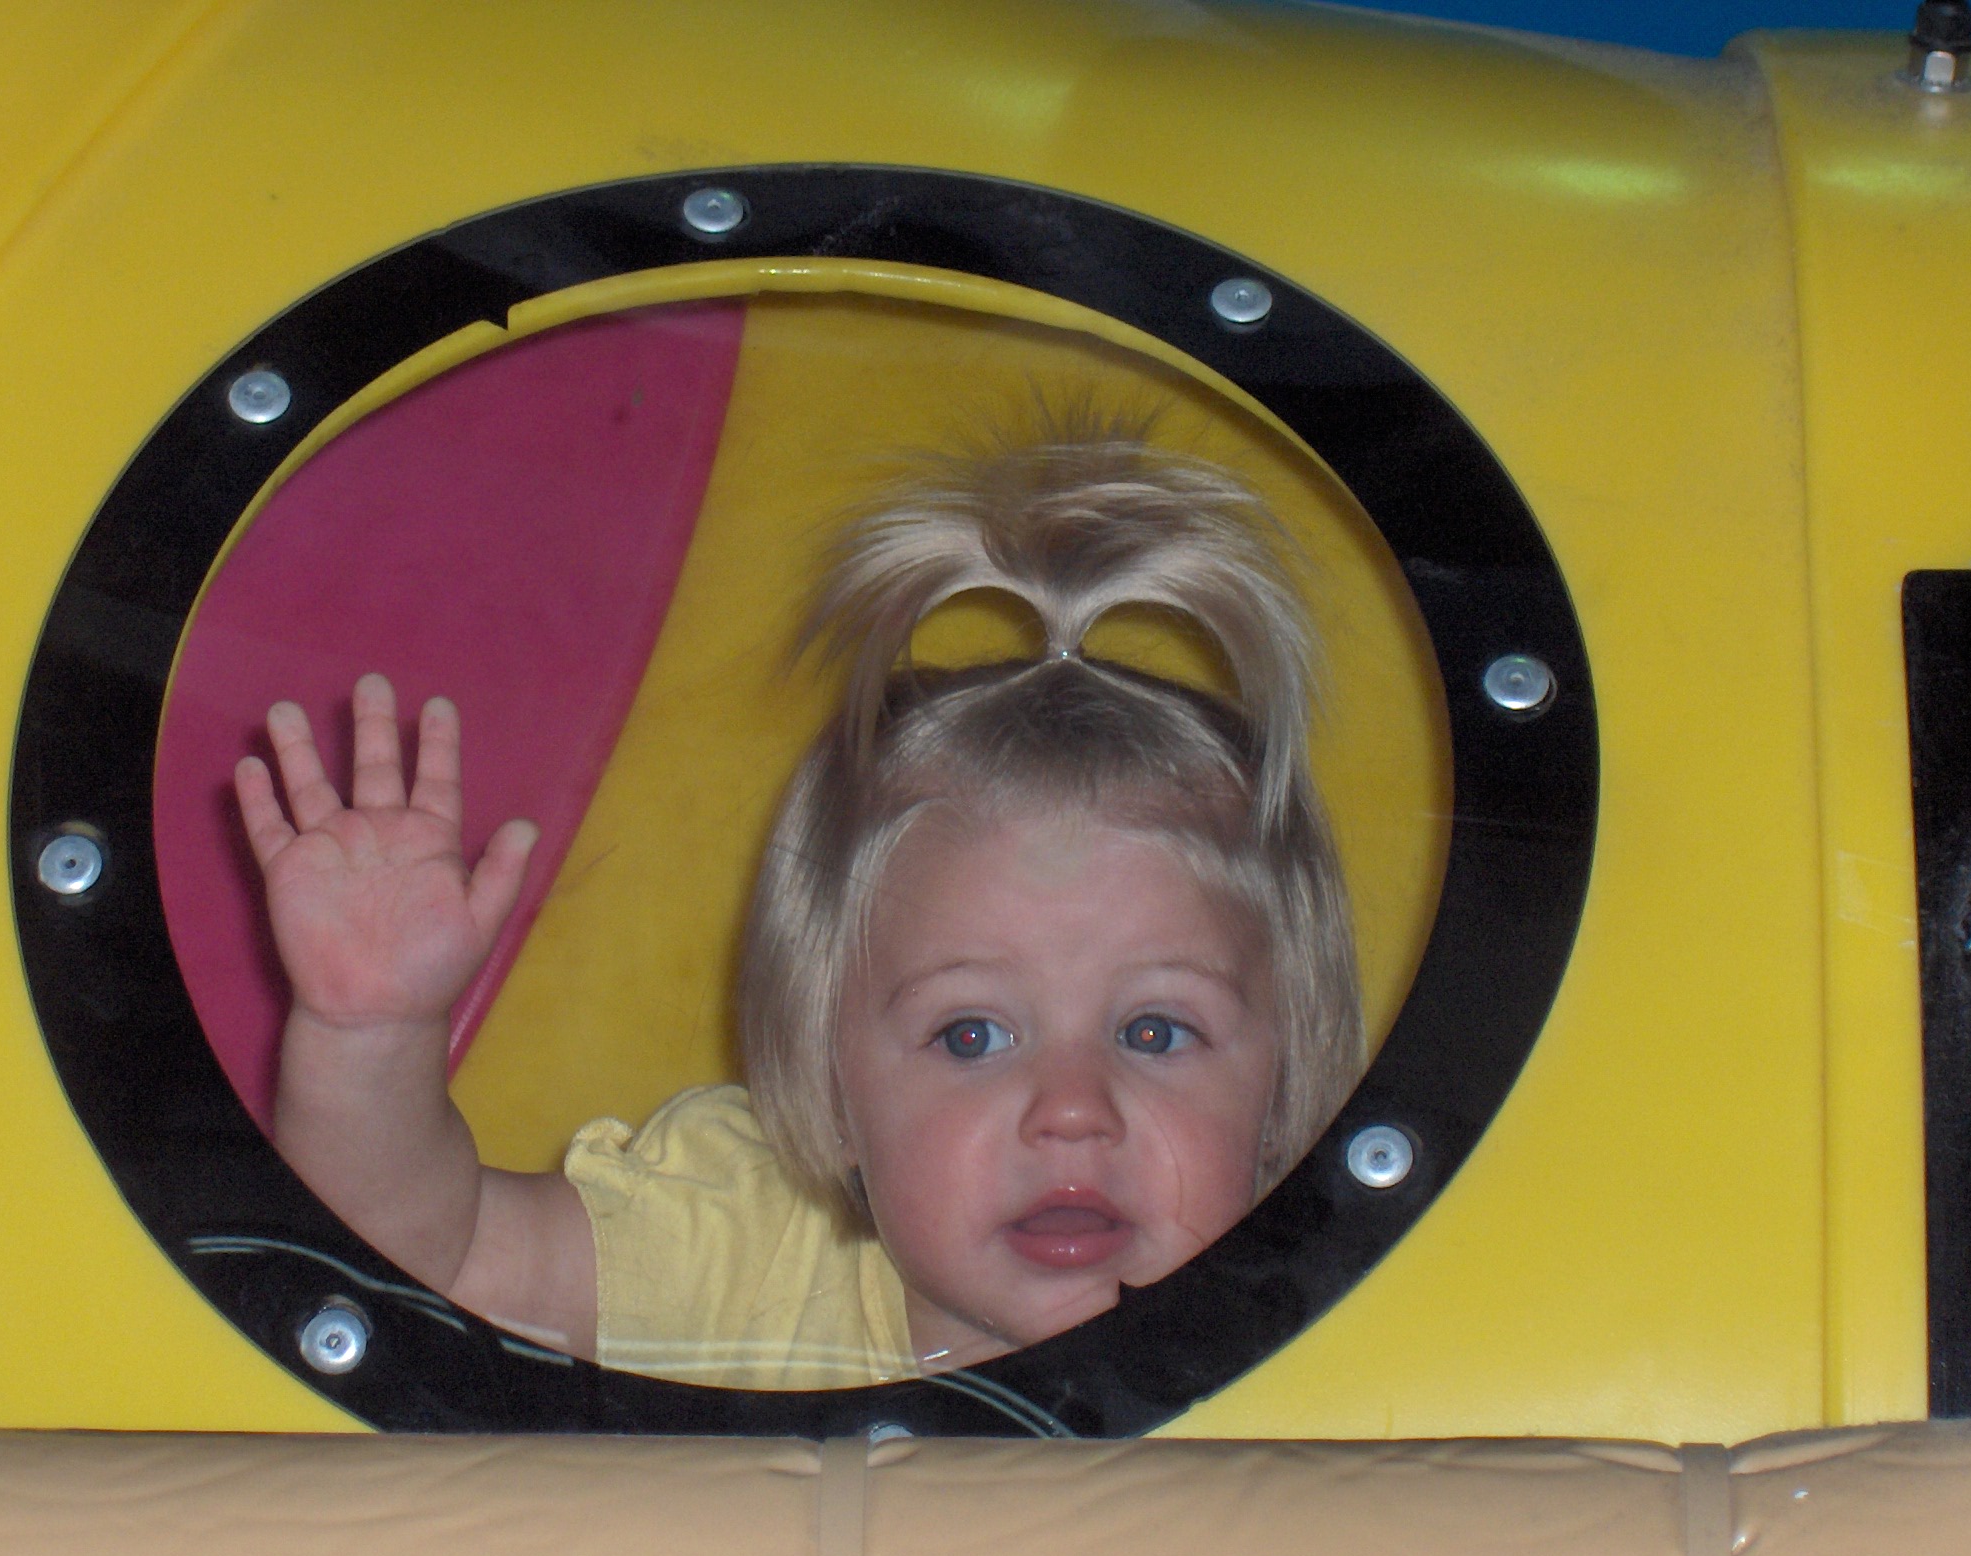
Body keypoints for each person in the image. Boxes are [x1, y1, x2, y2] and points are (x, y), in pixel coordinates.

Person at [235, 429, 1364, 1388]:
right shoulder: (753, 1253)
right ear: (830, 1087)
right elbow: (427, 1265)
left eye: (1156, 1031)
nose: (1072, 1111)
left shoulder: (1337, 1328)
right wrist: (371, 1033)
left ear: (1284, 1078)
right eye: (970, 1034)